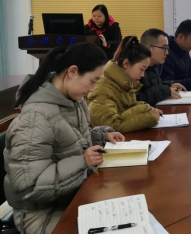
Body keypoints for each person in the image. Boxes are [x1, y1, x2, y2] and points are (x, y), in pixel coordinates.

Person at [3, 43, 125, 234]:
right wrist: (83, 162)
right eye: (92, 81)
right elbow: (28, 187)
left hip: (72, 196)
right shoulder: (35, 118)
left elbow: (73, 141)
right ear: (72, 72)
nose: (92, 89)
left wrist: (101, 136)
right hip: (43, 214)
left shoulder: (74, 101)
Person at [87, 36, 162, 133]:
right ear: (126, 64)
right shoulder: (103, 90)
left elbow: (128, 108)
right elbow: (109, 125)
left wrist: (147, 109)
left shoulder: (124, 83)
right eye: (141, 69)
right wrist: (148, 118)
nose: (143, 75)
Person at [136, 28, 187, 106]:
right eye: (164, 48)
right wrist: (166, 90)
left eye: (167, 48)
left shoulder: (153, 66)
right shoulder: (135, 69)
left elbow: (155, 85)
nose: (167, 53)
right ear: (148, 49)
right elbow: (138, 100)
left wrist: (170, 84)